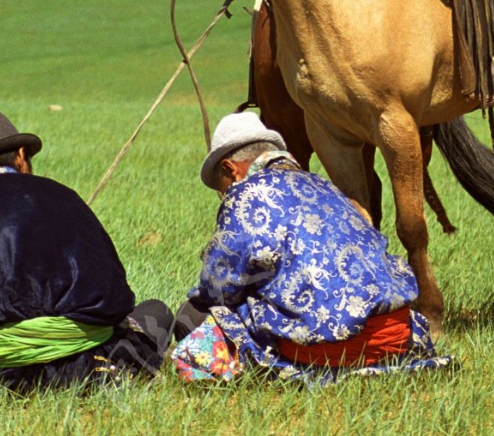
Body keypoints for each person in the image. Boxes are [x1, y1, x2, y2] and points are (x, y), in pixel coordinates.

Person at [171, 111, 450, 384]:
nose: (225, 194)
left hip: (331, 349)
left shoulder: (245, 194)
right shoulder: (324, 185)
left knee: (192, 313)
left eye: (223, 187)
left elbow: (217, 287)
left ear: (231, 169)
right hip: (396, 334)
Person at [0, 110, 172, 391]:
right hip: (86, 360)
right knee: (157, 311)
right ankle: (109, 369)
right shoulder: (65, 194)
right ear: (20, 156)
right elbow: (119, 297)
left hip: (0, 370)